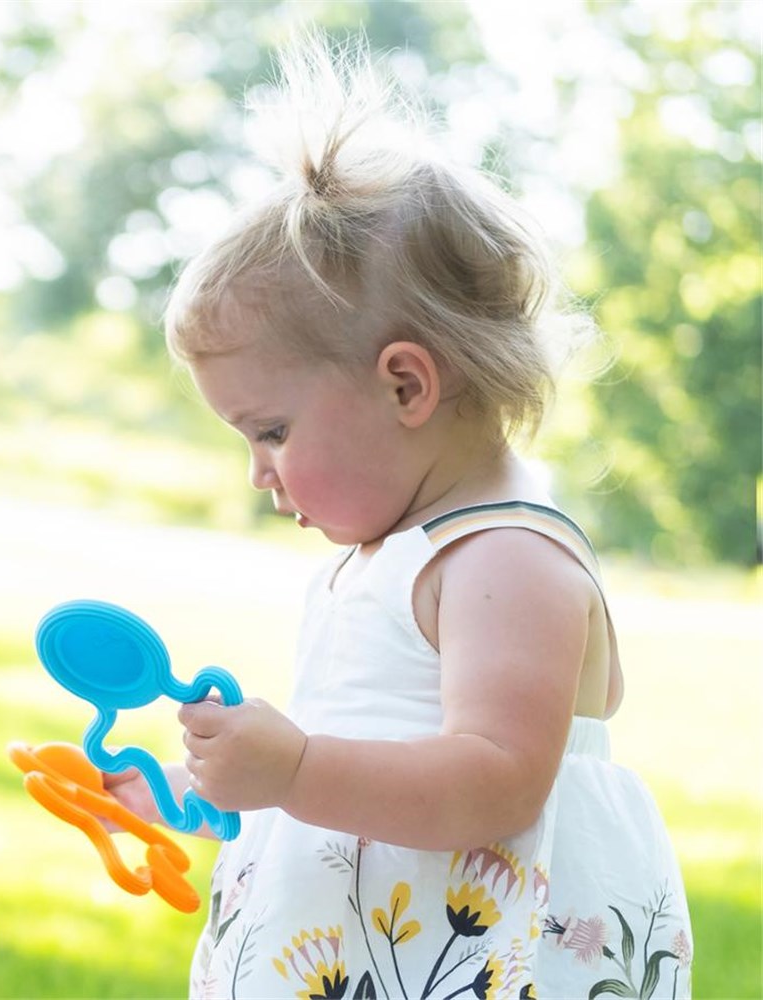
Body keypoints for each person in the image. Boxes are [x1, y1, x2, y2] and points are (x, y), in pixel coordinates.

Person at [103, 35, 693, 999]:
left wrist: (292, 769)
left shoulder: (505, 560)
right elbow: (354, 773)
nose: (259, 473)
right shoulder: (386, 558)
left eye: (272, 431)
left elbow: (494, 783)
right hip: (376, 955)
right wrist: (200, 795)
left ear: (406, 385)